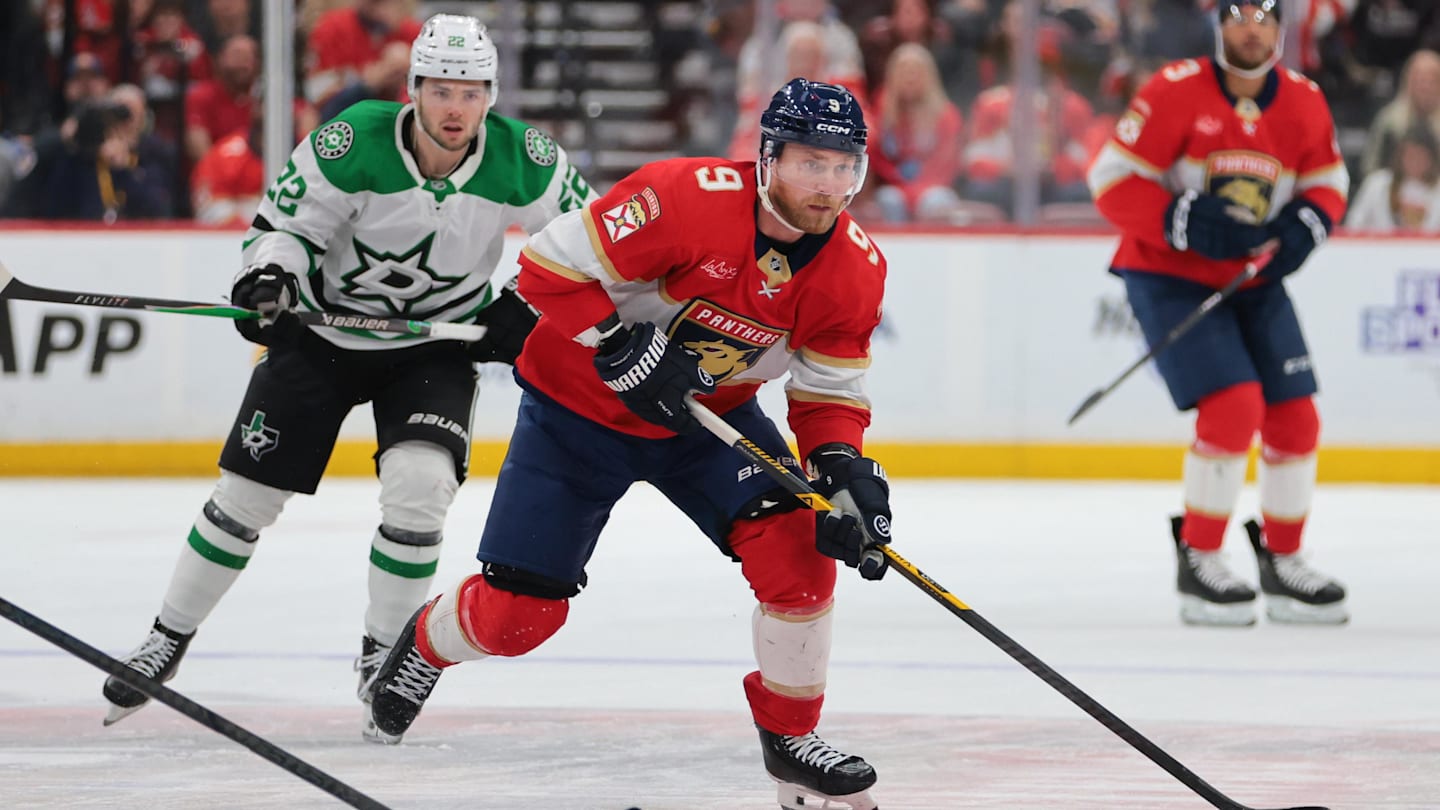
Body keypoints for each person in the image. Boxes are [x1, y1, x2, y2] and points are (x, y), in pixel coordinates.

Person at [363, 78, 893, 810]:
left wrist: (842, 470)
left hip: (710, 424)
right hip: (577, 414)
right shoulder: (684, 197)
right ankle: (427, 641)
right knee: (521, 619)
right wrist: (617, 343)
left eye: (843, 167)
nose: (828, 186)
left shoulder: (856, 270)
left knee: (800, 561)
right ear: (767, 158)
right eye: (810, 163)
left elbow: (828, 395)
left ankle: (792, 744)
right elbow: (544, 268)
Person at [101, 14, 595, 728]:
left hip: (435, 347)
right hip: (324, 335)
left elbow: (593, 241)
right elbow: (286, 230)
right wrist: (268, 282)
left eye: (471, 92)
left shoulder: (526, 156)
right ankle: (166, 637)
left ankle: (383, 656)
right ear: (413, 90)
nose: (455, 108)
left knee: (420, 490)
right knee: (244, 498)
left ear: (490, 95)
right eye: (441, 90)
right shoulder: (351, 139)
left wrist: (525, 300)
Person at [1087, 0, 1350, 626]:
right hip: (1168, 274)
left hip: (1253, 279)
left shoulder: (1305, 100)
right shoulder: (1174, 91)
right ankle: (1199, 557)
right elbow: (1111, 178)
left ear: (1280, 29)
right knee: (1234, 405)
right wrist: (1179, 219)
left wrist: (1307, 224)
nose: (1252, 27)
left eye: (1264, 16)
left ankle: (1283, 562)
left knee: (1295, 416)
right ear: (1220, 27)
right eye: (1238, 15)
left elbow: (1328, 181)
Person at [1346, 124, 1440, 232]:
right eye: (1411, 156)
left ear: (1432, 159)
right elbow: (1353, 225)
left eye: (1421, 157)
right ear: (1400, 156)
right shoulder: (1377, 184)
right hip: (1379, 247)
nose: (1415, 162)